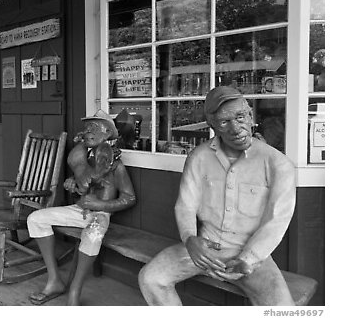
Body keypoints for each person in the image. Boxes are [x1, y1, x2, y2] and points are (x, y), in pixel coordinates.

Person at [138, 86, 296, 306]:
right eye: (224, 122)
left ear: (250, 116)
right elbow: (185, 205)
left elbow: (277, 220)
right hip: (204, 248)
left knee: (282, 309)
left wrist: (248, 259)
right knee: (151, 278)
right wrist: (190, 239)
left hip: (250, 254)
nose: (235, 128)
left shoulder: (278, 164)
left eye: (240, 117)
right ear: (212, 126)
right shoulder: (199, 157)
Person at [27, 110, 136, 306]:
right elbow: (85, 185)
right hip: (78, 211)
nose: (88, 132)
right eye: (86, 128)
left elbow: (129, 198)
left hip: (100, 214)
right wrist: (72, 183)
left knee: (93, 235)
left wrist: (100, 204)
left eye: (94, 128)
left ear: (107, 133)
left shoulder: (114, 165)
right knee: (35, 218)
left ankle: (74, 292)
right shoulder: (86, 161)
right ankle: (54, 281)